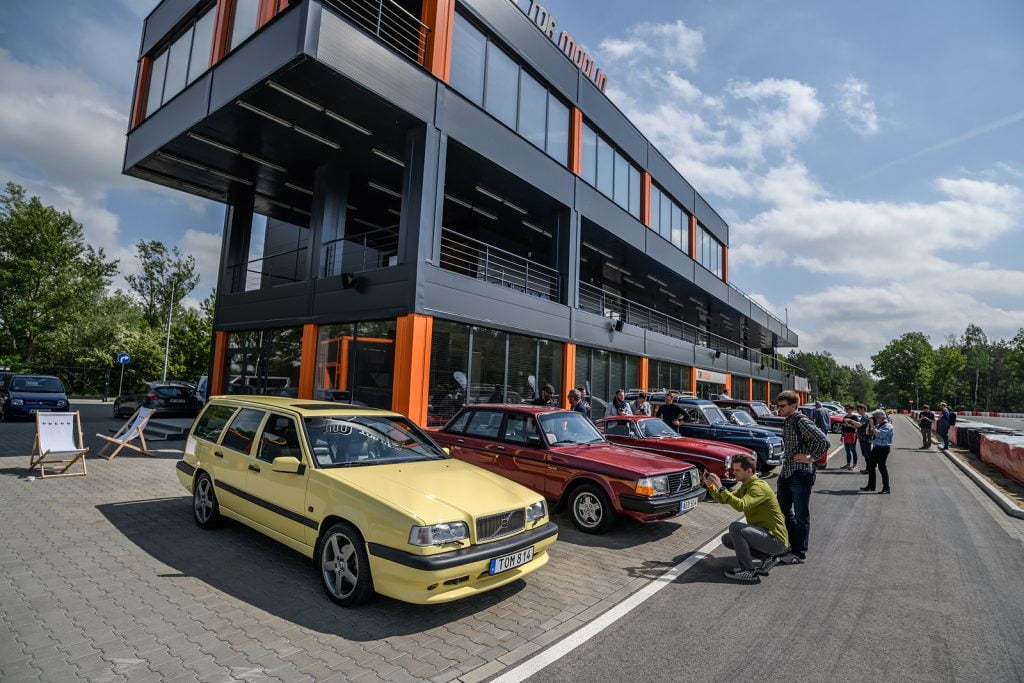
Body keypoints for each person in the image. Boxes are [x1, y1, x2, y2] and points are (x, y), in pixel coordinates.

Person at [704, 453, 789, 583]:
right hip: (765, 535)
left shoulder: (758, 487)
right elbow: (725, 498)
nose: (733, 472)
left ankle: (748, 571)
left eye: (737, 470)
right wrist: (711, 486)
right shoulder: (746, 485)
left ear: (749, 471)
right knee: (727, 539)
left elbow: (741, 505)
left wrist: (721, 487)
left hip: (775, 540)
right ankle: (767, 557)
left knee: (735, 528)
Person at [774, 390, 829, 564]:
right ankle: (793, 545)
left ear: (793, 406)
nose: (779, 409)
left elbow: (824, 441)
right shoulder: (788, 420)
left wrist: (811, 457)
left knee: (801, 515)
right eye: (778, 406)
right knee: (782, 510)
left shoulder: (801, 420)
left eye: (782, 406)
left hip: (801, 473)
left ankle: (799, 553)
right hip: (787, 472)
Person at [861, 409, 893, 494]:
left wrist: (872, 425)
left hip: (883, 449)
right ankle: (871, 486)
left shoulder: (888, 426)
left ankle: (886, 488)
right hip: (876, 447)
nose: (875, 419)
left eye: (875, 418)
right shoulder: (879, 425)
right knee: (871, 466)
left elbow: (879, 435)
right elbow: (870, 434)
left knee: (882, 467)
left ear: (881, 417)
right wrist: (869, 427)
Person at [840, 404, 861, 470]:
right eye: (845, 409)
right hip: (846, 434)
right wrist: (842, 436)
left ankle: (855, 465)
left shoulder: (854, 417)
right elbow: (843, 428)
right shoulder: (845, 417)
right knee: (847, 451)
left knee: (853, 450)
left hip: (852, 434)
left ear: (852, 409)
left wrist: (849, 425)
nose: (846, 410)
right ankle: (848, 464)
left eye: (847, 409)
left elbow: (857, 426)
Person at [856, 404, 873, 473]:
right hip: (863, 438)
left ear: (863, 409)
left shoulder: (865, 417)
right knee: (866, 454)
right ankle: (868, 469)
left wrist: (851, 421)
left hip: (865, 439)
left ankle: (869, 469)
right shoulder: (863, 417)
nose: (857, 411)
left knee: (867, 455)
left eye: (858, 410)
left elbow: (860, 425)